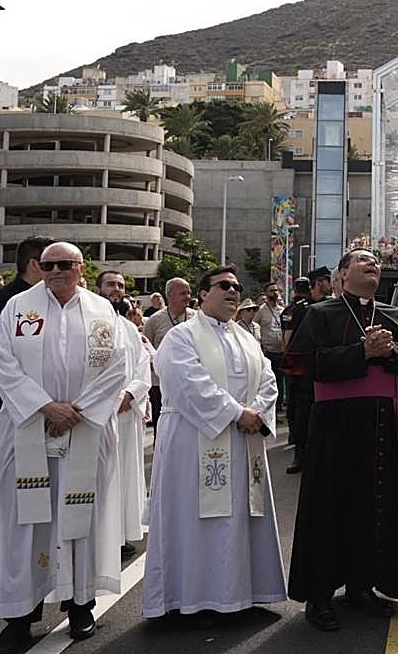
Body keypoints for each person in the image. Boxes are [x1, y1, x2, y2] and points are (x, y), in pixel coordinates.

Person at [0, 242, 127, 653]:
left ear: (81, 268)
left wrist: (78, 411)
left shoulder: (102, 311)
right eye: (49, 264)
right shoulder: (18, 308)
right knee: (25, 524)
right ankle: (20, 616)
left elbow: (119, 366)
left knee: (81, 519)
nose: (55, 271)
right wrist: (45, 407)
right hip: (28, 430)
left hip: (85, 431)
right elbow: (0, 363)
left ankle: (80, 605)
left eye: (65, 264)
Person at [286, 248, 398, 632]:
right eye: (361, 261)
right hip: (336, 427)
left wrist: (390, 352)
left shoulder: (397, 316)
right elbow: (300, 364)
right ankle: (319, 596)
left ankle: (361, 585)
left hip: (386, 427)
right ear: (342, 274)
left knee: (376, 505)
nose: (371, 265)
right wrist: (361, 352)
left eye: (375, 262)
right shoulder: (320, 314)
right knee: (330, 507)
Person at [142, 264, 285, 624]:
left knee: (239, 516)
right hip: (195, 439)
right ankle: (195, 598)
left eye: (237, 286)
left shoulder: (247, 338)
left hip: (243, 440)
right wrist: (237, 413)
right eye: (224, 286)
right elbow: (186, 382)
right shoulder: (182, 336)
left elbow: (268, 380)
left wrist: (257, 414)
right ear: (202, 294)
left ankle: (240, 593)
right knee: (198, 520)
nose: (233, 292)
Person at [0, 236, 53, 507]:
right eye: (52, 264)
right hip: (10, 405)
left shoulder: (51, 301)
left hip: (51, 408)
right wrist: (28, 394)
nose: (59, 272)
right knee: (15, 488)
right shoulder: (4, 302)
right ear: (34, 264)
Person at [96, 270, 151, 559]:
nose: (116, 289)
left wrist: (130, 394)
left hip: (127, 415)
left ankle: (117, 537)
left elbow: (143, 366)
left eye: (120, 284)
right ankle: (98, 537)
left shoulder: (129, 328)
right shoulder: (90, 323)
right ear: (98, 289)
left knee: (125, 477)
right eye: (110, 284)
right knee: (101, 479)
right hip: (98, 415)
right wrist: (111, 398)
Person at [282, 266, 332, 475]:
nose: (330, 284)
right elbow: (288, 341)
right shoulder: (301, 308)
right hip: (303, 371)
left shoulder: (331, 306)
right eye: (327, 280)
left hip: (326, 369)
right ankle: (301, 455)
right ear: (319, 282)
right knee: (301, 414)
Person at [143, 277, 197, 425]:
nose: (188, 297)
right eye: (183, 293)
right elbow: (145, 348)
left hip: (190, 381)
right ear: (170, 295)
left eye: (189, 293)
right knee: (162, 424)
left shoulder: (197, 318)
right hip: (161, 382)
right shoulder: (155, 320)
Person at [255, 282, 286, 408]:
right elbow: (254, 327)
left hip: (281, 352)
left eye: (276, 290)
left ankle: (278, 408)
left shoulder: (282, 310)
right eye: (272, 290)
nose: (275, 292)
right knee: (268, 382)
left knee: (280, 382)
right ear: (266, 293)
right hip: (268, 352)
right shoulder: (261, 311)